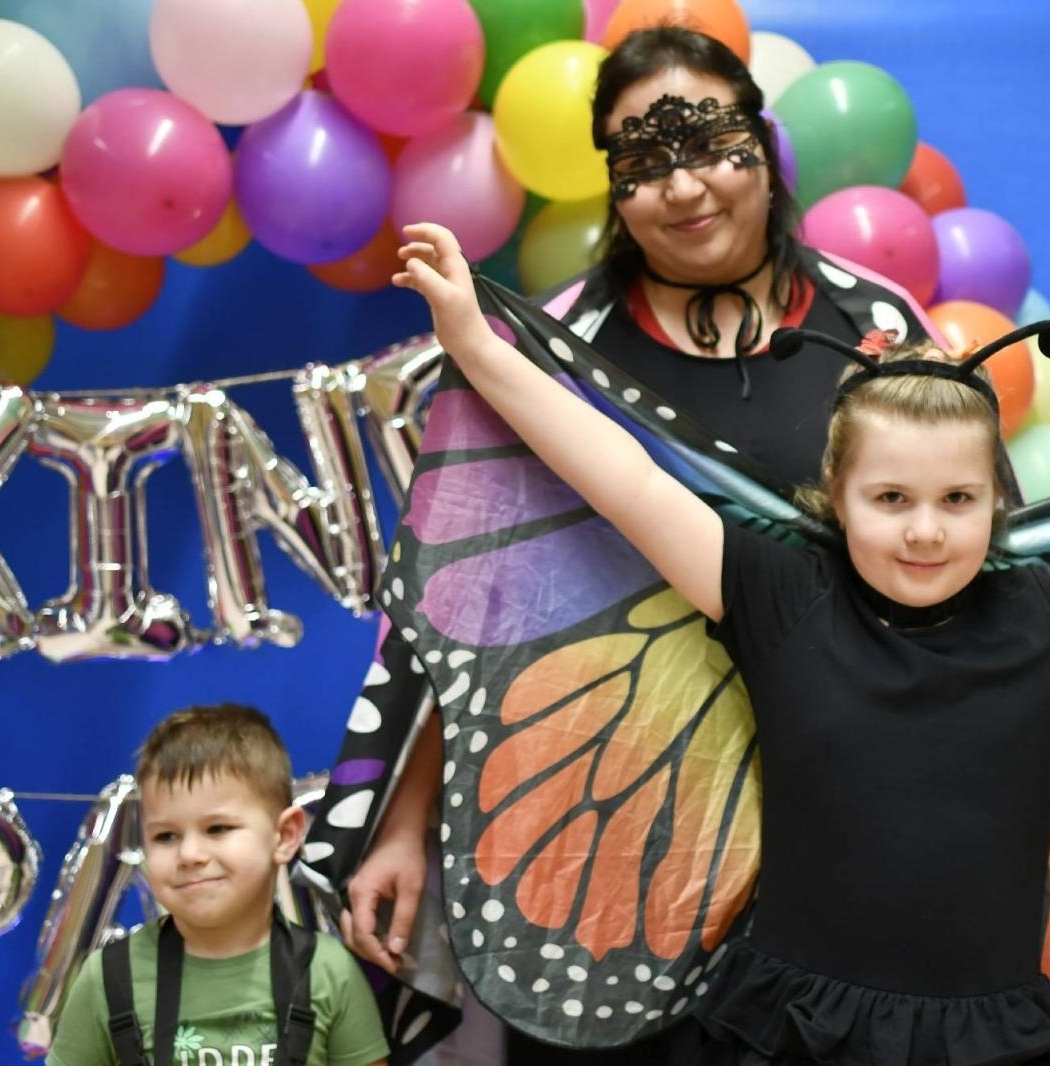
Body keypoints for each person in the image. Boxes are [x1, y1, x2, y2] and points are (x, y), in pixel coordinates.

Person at [386, 219, 1050, 1065]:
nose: (925, 528)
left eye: (955, 499)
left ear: (994, 506)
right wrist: (477, 341)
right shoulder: (778, 591)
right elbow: (620, 476)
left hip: (988, 1036)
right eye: (890, 498)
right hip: (786, 1026)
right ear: (835, 499)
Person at [309, 26, 938, 1064]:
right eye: (642, 159)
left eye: (706, 141)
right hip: (597, 828)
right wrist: (404, 823)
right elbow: (468, 604)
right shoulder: (550, 353)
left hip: (831, 835)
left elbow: (970, 570)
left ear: (763, 145)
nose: (682, 187)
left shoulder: (877, 328)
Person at [46, 704, 391, 1066]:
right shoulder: (108, 978)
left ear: (285, 835)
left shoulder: (328, 971)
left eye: (217, 829)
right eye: (166, 836)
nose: (190, 854)